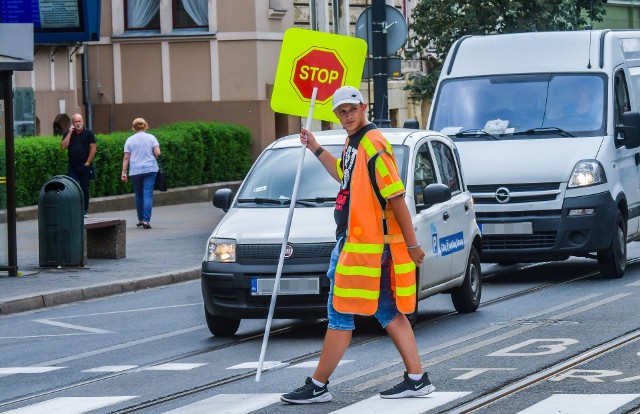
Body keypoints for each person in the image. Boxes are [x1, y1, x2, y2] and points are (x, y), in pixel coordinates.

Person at [281, 86, 434, 404]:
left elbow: (396, 197)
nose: (347, 115)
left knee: (339, 312)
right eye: (341, 112)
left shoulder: (373, 144)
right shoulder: (355, 142)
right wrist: (316, 148)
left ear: (363, 107)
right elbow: (345, 177)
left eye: (352, 109)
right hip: (359, 245)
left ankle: (318, 385)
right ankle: (417, 379)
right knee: (387, 310)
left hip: (363, 247)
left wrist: (412, 244)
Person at [120, 118, 161, 229]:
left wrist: (124, 172)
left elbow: (126, 157)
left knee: (138, 195)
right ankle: (146, 221)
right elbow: (158, 153)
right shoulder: (151, 138)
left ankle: (141, 219)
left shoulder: (129, 140)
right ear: (145, 126)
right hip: (150, 169)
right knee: (147, 194)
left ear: (133, 127)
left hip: (135, 171)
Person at [60, 113, 96, 217]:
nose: (78, 123)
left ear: (82, 121)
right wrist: (70, 133)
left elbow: (93, 149)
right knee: (72, 189)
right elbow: (63, 146)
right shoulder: (68, 133)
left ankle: (84, 211)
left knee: (85, 188)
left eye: (79, 121)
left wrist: (88, 163)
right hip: (72, 166)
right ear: (73, 123)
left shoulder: (88, 133)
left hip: (84, 166)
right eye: (75, 122)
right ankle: (74, 210)